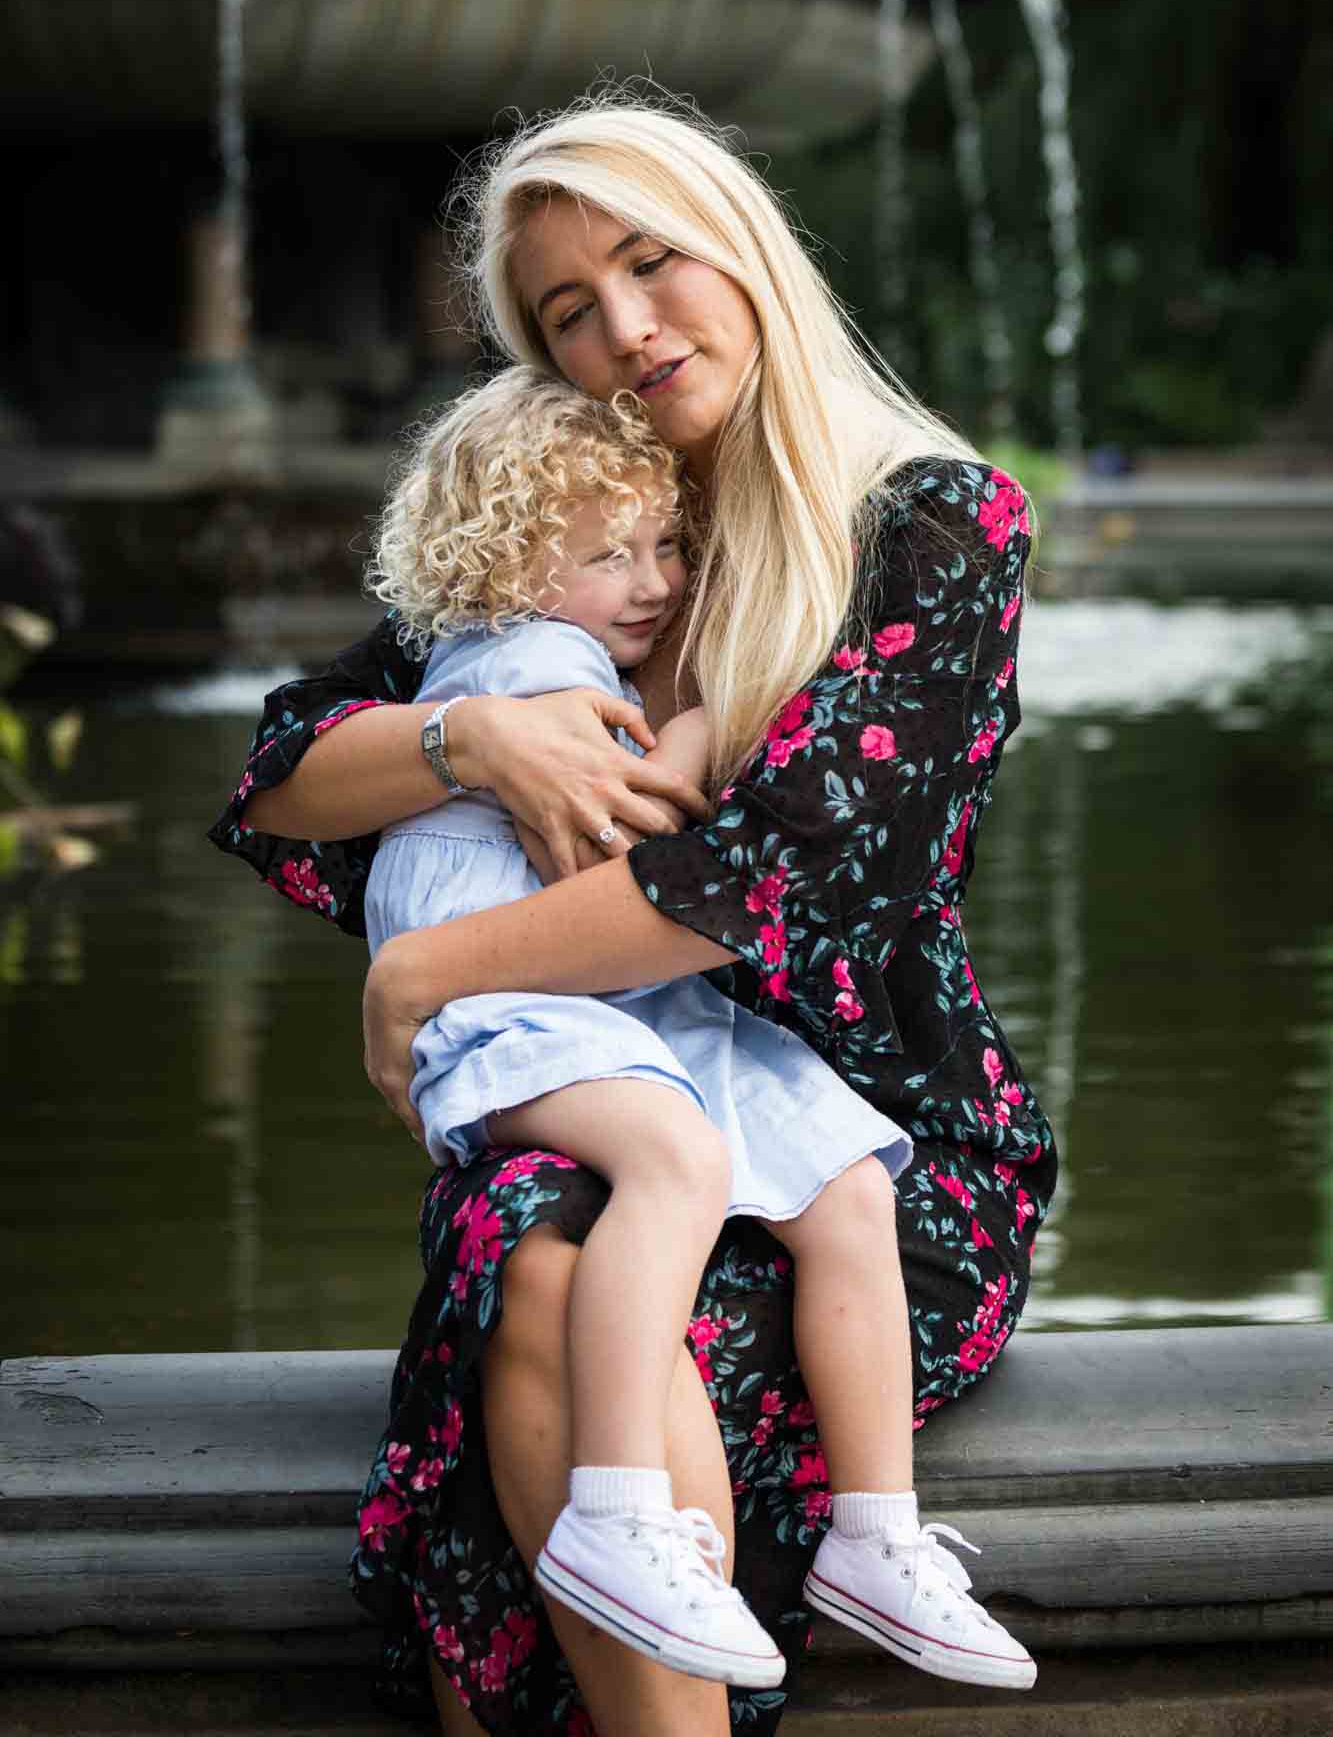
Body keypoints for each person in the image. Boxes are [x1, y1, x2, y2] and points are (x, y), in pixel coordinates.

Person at [210, 89, 1058, 1737]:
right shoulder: (561, 538)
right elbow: (281, 781)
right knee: (527, 1243)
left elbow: (748, 892)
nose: (624, 329)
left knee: (555, 1268)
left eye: (650, 262)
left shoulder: (933, 524)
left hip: (864, 1141)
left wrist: (429, 976)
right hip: (623, 1087)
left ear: (742, 249)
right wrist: (471, 733)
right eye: (563, 314)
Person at [358, 359, 1034, 1696]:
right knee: (674, 1167)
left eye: (666, 543)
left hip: (630, 1008)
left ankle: (874, 1538)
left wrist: (699, 716)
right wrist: (690, 743)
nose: (656, 579)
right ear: (500, 563)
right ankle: (617, 1516)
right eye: (611, 554)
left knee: (847, 1182)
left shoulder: (571, 645)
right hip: (515, 1009)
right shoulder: (531, 669)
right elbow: (654, 848)